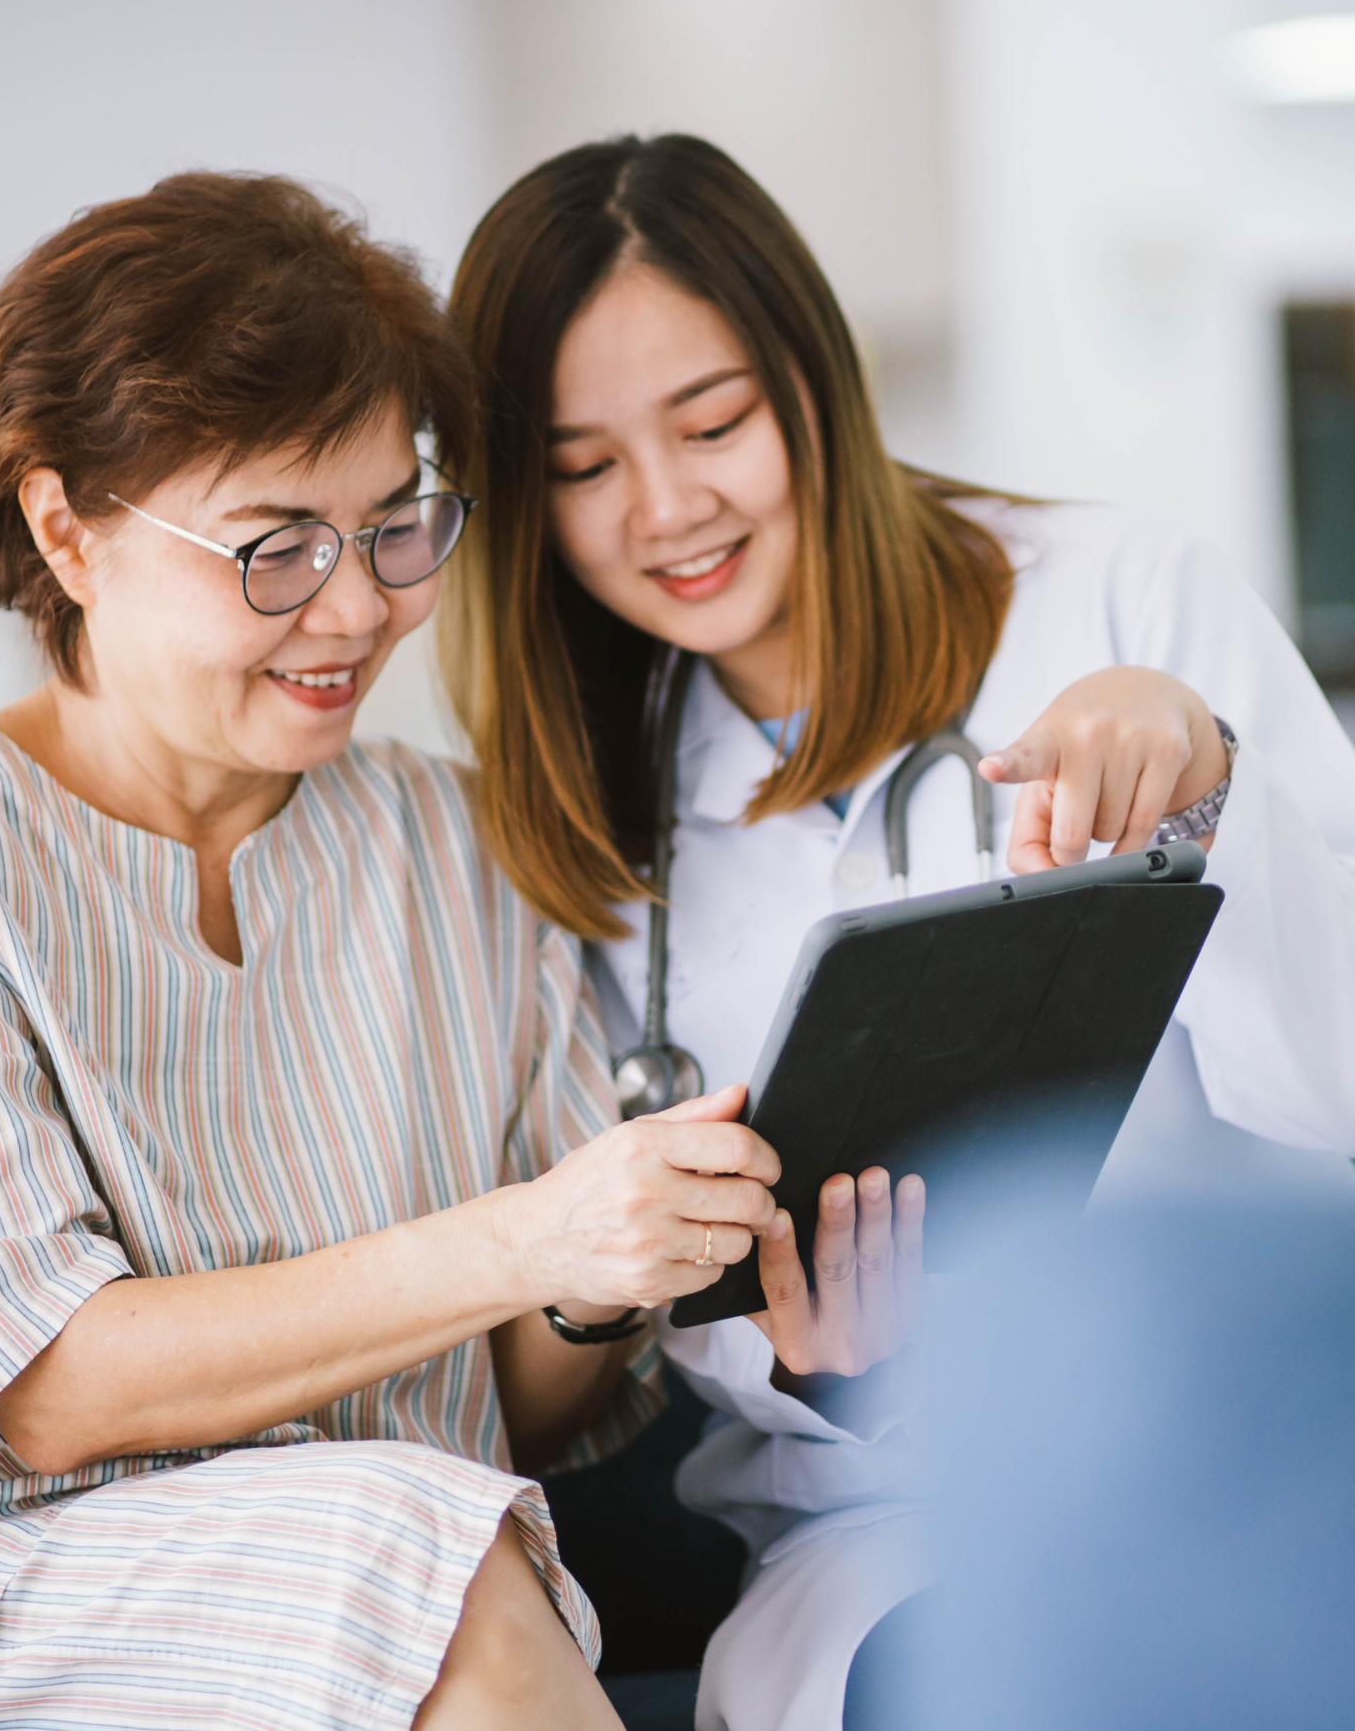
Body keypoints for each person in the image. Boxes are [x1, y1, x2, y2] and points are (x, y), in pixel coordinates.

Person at [0, 171, 825, 1731]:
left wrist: (607, 1275)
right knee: (416, 1562)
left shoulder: (450, 845)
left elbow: (518, 1407)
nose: (355, 610)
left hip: (368, 1579)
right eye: (275, 548)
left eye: (392, 528)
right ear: (66, 529)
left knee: (424, 1546)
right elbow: (43, 1392)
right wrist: (520, 1238)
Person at [439, 133, 1355, 1731]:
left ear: (816, 383)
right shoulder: (581, 806)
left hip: (1253, 1414)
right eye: (583, 467)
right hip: (885, 1526)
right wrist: (837, 1369)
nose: (668, 507)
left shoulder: (1117, 597)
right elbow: (625, 1302)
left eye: (713, 423)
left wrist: (1214, 782)